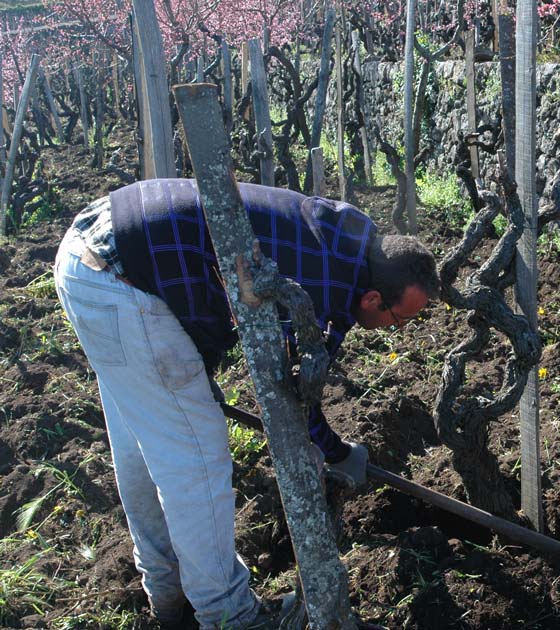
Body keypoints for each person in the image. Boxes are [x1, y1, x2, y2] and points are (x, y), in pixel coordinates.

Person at [52, 178, 440, 629]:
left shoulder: (348, 244)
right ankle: (230, 616)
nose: (393, 330)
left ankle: (167, 592)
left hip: (95, 251)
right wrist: (338, 453)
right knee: (196, 463)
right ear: (374, 298)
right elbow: (297, 397)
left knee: (143, 447)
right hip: (123, 280)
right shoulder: (318, 285)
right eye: (398, 319)